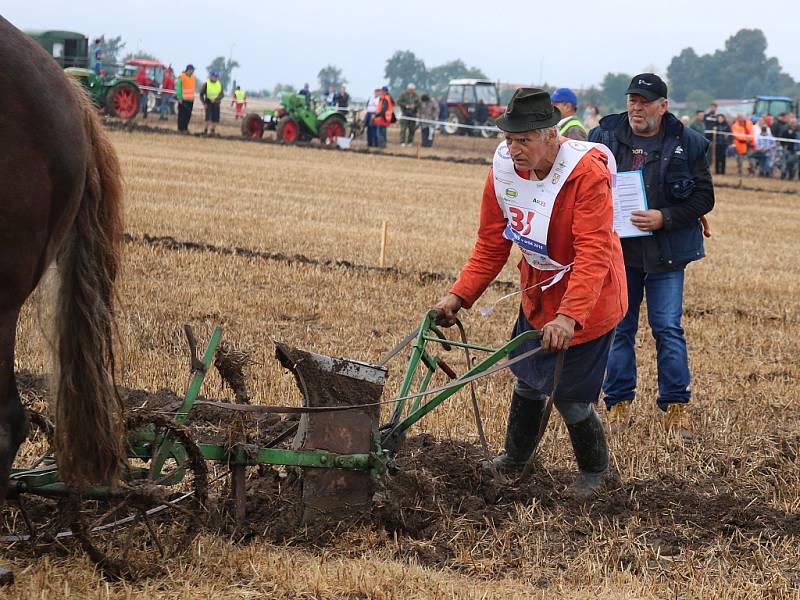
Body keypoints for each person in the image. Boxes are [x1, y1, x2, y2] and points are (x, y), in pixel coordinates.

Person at [434, 88, 627, 499]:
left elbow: (594, 253)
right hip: (538, 295)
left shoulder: (586, 174)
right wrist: (459, 296)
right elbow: (491, 244)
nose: (514, 148)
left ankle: (597, 473)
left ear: (550, 137)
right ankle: (516, 459)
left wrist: (569, 316)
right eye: (509, 139)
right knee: (526, 381)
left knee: (571, 399)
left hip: (588, 301)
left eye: (524, 139)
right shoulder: (503, 172)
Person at [589, 73, 715, 434]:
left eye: (644, 101)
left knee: (667, 328)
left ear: (663, 106)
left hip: (667, 253)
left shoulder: (689, 144)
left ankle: (675, 405)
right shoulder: (605, 138)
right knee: (619, 329)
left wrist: (665, 217)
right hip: (620, 253)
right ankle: (618, 405)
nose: (636, 107)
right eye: (632, 99)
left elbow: (704, 197)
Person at [200, 70, 224, 136]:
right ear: (211, 76)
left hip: (216, 103)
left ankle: (212, 131)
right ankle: (205, 130)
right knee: (207, 117)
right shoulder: (206, 84)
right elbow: (201, 94)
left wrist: (217, 99)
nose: (215, 78)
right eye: (214, 76)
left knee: (215, 118)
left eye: (216, 76)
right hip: (208, 102)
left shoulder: (220, 84)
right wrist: (204, 103)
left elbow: (222, 94)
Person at [176, 64, 197, 133]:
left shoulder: (193, 77)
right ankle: (180, 129)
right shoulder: (182, 76)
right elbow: (179, 88)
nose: (192, 71)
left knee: (188, 115)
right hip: (183, 99)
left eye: (193, 70)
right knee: (182, 115)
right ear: (188, 70)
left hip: (190, 100)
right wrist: (179, 97)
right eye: (191, 70)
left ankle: (185, 128)